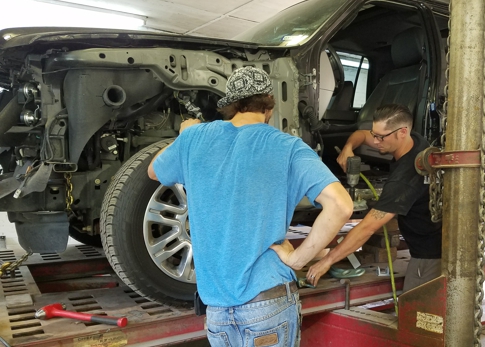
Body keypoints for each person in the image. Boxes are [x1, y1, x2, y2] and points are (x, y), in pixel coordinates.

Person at [148, 66, 353, 347]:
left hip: (217, 310)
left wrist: (184, 137)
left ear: (230, 105)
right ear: (269, 103)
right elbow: (340, 205)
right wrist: (299, 259)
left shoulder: (195, 139)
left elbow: (153, 171)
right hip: (268, 302)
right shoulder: (288, 147)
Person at [306, 104, 442, 292]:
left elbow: (367, 228)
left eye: (380, 137)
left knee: (416, 310)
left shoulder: (404, 179)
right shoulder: (414, 141)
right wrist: (348, 147)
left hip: (430, 253)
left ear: (402, 132)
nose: (376, 141)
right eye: (374, 134)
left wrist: (327, 261)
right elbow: (362, 135)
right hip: (426, 242)